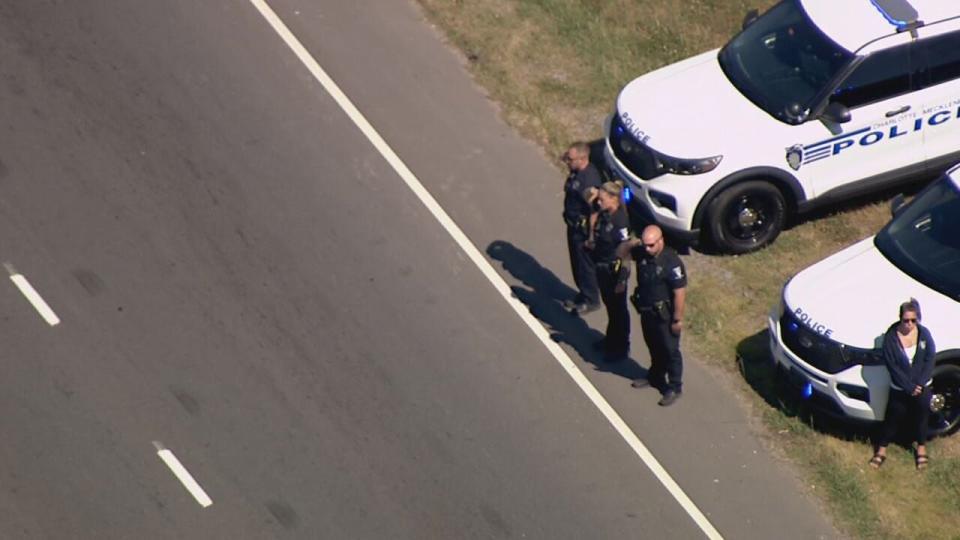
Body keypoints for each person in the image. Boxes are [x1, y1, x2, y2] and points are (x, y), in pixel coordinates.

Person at [618, 225, 687, 406]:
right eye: (645, 245)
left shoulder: (671, 262)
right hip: (647, 310)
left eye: (651, 245)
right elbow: (621, 252)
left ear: (661, 241)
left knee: (670, 350)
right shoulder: (642, 252)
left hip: (665, 315)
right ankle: (655, 376)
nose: (647, 249)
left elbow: (679, 292)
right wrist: (633, 243)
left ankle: (674, 386)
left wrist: (677, 319)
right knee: (654, 346)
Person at [869, 299, 936, 470]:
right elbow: (892, 366)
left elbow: (930, 358)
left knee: (922, 418)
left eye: (913, 320)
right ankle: (881, 450)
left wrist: (920, 383)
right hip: (900, 388)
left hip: (922, 386)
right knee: (892, 419)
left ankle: (921, 448)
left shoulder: (923, 334)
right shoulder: (891, 338)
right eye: (906, 320)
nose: (910, 324)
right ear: (900, 319)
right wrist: (908, 386)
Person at [590, 181, 632, 361]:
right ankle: (611, 340)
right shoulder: (607, 214)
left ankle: (621, 347)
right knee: (611, 308)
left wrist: (622, 279)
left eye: (602, 199)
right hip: (602, 266)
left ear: (613, 199)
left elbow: (625, 250)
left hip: (614, 271)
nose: (599, 202)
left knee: (618, 311)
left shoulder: (620, 220)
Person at [560, 142, 602, 315]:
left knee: (585, 267)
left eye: (570, 159)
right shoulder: (576, 173)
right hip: (573, 226)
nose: (567, 162)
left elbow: (595, 212)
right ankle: (583, 293)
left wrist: (591, 236)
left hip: (584, 232)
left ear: (582, 159)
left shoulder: (589, 181)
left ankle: (591, 300)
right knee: (576, 264)